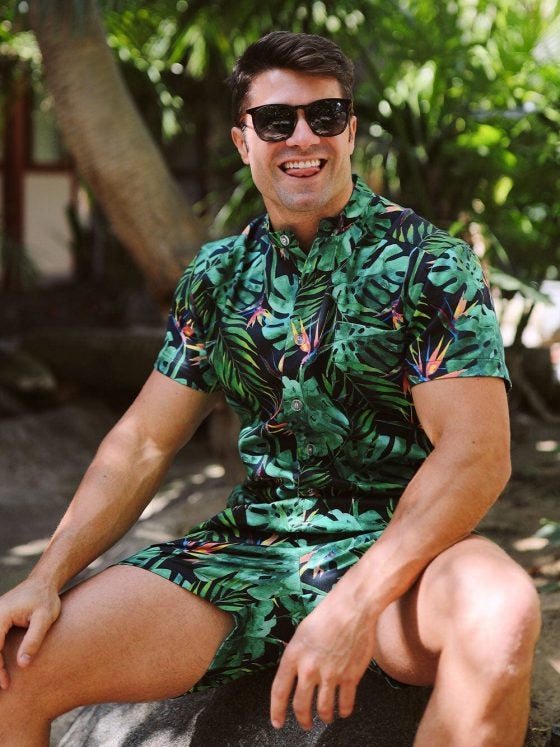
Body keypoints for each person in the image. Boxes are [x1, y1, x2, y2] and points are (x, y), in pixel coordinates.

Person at [0, 31, 541, 747]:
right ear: (242, 140)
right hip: (252, 551)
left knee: (502, 613)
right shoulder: (217, 275)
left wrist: (352, 605)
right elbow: (143, 441)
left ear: (350, 131)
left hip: (404, 560)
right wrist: (46, 575)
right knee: (15, 663)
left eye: (325, 115)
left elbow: (476, 454)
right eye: (276, 120)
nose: (302, 137)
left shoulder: (431, 264)